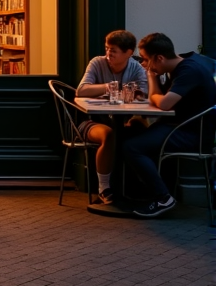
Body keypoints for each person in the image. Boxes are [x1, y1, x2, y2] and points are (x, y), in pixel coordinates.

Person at [123, 32, 216, 218]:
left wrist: (157, 96)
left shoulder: (188, 71)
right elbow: (156, 98)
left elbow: (164, 103)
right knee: (131, 132)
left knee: (132, 147)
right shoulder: (177, 69)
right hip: (177, 126)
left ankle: (163, 198)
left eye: (146, 60)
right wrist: (152, 74)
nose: (144, 64)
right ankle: (144, 193)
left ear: (159, 58)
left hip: (191, 134)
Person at [75, 30, 147, 204]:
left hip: (122, 120)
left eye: (113, 50)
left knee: (141, 130)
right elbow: (81, 90)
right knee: (109, 135)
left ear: (129, 53)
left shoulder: (135, 67)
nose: (108, 53)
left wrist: (134, 93)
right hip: (92, 122)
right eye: (107, 48)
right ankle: (104, 189)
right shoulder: (97, 63)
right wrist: (110, 87)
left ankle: (135, 187)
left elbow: (144, 94)